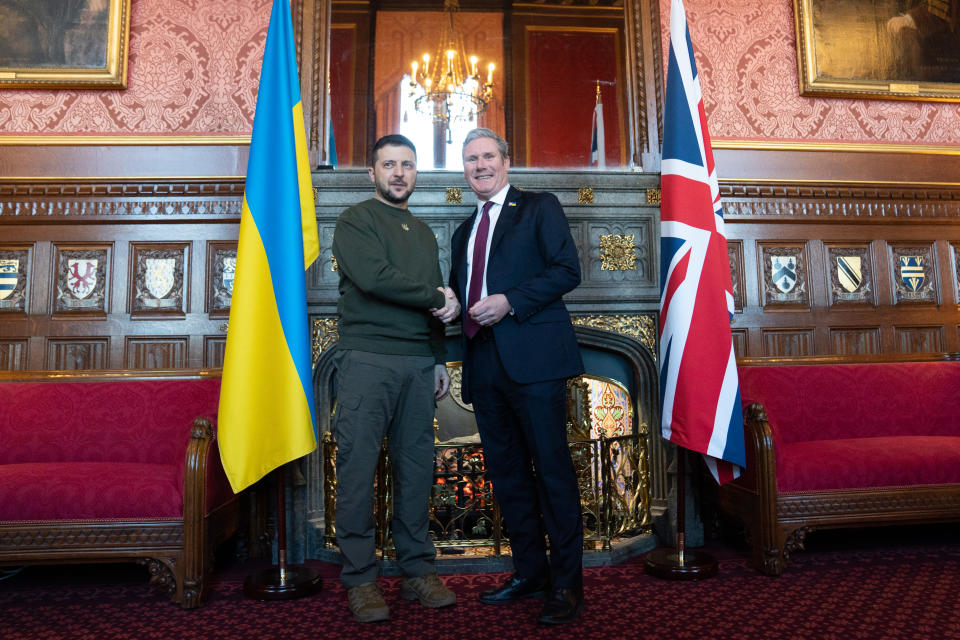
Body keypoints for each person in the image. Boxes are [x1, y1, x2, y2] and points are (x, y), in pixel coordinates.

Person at [446, 128, 586, 625]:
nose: (479, 166)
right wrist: (451, 307)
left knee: (552, 474)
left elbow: (568, 270)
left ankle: (568, 585)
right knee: (508, 478)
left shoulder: (539, 206)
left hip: (536, 364)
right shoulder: (463, 230)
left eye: (487, 156)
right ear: (463, 169)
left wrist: (510, 301)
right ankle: (531, 573)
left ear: (506, 161)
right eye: (470, 160)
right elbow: (465, 294)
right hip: (483, 366)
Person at [331, 134, 461, 623]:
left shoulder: (425, 233)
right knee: (358, 468)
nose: (399, 173)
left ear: (416, 173)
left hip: (416, 365)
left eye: (407, 165)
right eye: (389, 165)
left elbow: (432, 314)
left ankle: (417, 570)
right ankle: (361, 579)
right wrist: (437, 294)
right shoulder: (354, 221)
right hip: (368, 358)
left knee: (416, 469)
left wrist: (439, 360)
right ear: (372, 173)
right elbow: (374, 278)